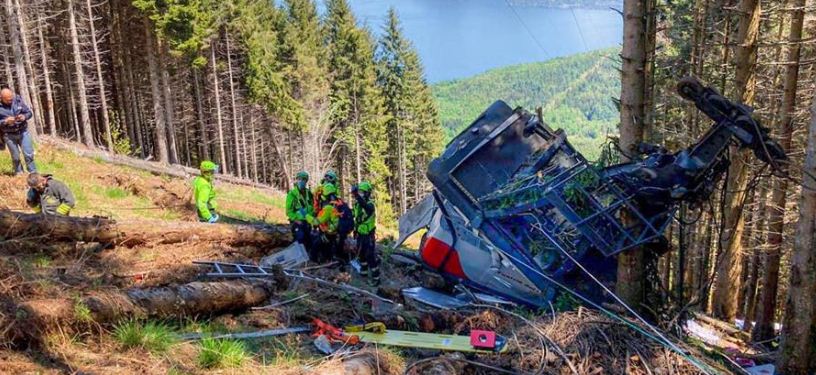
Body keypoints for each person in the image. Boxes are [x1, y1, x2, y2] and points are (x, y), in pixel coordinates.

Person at [1, 88, 36, 175]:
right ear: (1, 98)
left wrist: (24, 117)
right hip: (8, 135)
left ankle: (33, 173)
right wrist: (5, 121)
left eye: (11, 98)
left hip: (23, 131)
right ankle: (19, 174)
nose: (10, 101)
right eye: (8, 100)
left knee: (28, 154)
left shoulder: (18, 100)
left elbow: (29, 113)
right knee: (15, 157)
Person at [352, 181, 379, 285]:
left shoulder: (370, 205)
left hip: (369, 236)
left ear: (367, 193)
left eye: (362, 192)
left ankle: (376, 278)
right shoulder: (357, 205)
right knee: (361, 255)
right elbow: (355, 216)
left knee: (370, 256)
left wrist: (356, 195)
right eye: (359, 192)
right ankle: (363, 273)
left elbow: (366, 207)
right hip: (360, 234)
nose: (360, 194)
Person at [286, 171, 316, 253]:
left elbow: (312, 207)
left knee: (309, 241)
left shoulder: (309, 194)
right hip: (297, 222)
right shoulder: (292, 194)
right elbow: (289, 211)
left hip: (308, 222)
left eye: (303, 179)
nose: (301, 181)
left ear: (306, 181)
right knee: (300, 238)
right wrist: (295, 219)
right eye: (299, 179)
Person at [314, 182, 341, 263]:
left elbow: (320, 219)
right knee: (327, 246)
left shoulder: (328, 205)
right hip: (329, 230)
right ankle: (328, 258)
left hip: (328, 231)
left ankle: (323, 260)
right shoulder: (336, 201)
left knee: (317, 245)